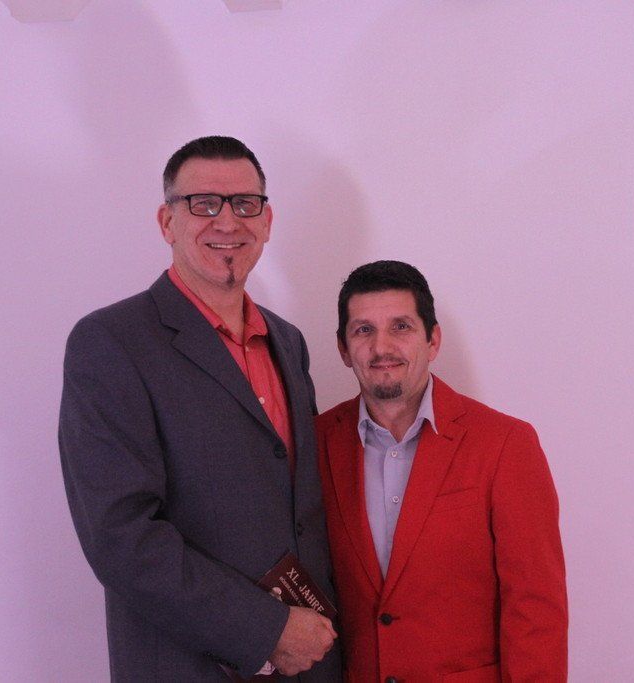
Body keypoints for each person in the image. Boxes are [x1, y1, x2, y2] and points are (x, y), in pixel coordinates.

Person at [59, 136, 340, 681]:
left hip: (310, 663)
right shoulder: (110, 342)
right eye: (204, 204)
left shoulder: (288, 342)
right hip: (187, 666)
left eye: (244, 204)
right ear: (167, 222)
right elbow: (121, 537)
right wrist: (267, 631)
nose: (227, 221)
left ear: (267, 220)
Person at [316, 260, 567, 682]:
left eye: (400, 327)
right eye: (363, 330)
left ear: (432, 340)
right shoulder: (316, 442)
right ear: (343, 348)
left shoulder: (505, 444)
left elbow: (536, 610)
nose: (381, 347)